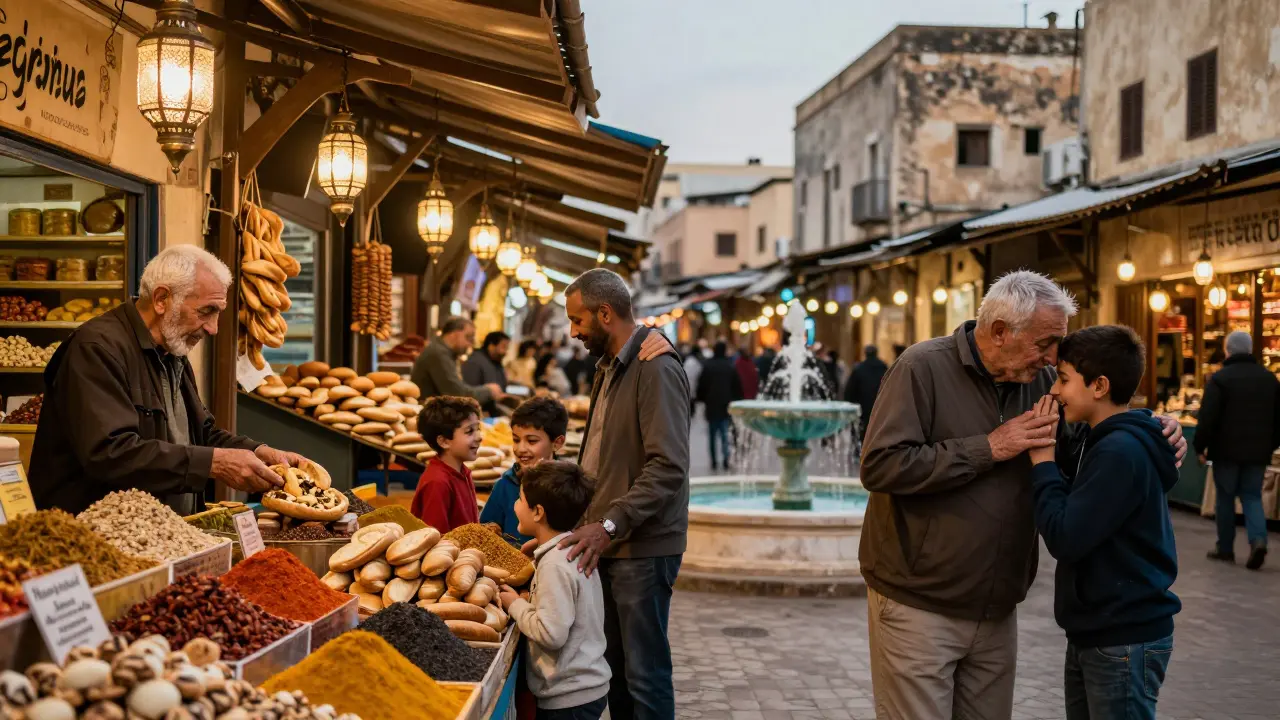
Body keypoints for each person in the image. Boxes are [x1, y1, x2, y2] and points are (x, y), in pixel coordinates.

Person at [859, 270, 1186, 720]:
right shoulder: (921, 368)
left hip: (997, 608)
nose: (1054, 357)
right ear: (999, 332)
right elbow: (880, 465)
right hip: (920, 606)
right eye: (1046, 342)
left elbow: (1078, 452)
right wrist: (989, 447)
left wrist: (1148, 428)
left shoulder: (1040, 381)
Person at [30, 245, 297, 516]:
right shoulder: (96, 348)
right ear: (161, 299)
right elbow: (110, 452)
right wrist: (213, 463)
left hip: (156, 535)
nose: (213, 328)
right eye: (206, 311)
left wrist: (260, 453)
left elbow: (201, 434)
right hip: (92, 540)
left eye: (218, 313)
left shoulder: (172, 351)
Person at [1028, 326, 1180, 720]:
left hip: (1122, 637)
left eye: (1063, 379)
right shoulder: (1101, 440)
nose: (1056, 391)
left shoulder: (1119, 450)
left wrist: (1041, 460)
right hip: (1099, 631)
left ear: (1099, 386)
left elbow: (1065, 536)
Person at [558, 268, 690, 720]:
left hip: (641, 547)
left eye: (578, 321)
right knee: (615, 671)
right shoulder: (609, 367)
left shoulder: (656, 368)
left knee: (645, 674)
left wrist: (609, 523)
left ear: (605, 313)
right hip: (611, 543)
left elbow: (668, 466)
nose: (573, 332)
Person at [499, 461, 611, 720]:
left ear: (538, 512)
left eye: (520, 499)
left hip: (568, 697)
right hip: (584, 687)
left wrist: (514, 604)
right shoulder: (569, 552)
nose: (516, 506)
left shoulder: (554, 566)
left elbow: (551, 634)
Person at [1194, 330, 1280, 569]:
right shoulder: (1269, 379)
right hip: (1257, 452)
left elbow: (1207, 418)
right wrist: (1269, 444)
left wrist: (1200, 446)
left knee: (1225, 497)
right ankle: (1258, 540)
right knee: (1252, 496)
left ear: (1227, 349)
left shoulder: (1220, 379)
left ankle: (1225, 549)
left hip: (1225, 451)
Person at [480, 396, 568, 545]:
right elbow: (485, 531)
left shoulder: (568, 488)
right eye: (516, 439)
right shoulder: (505, 485)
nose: (520, 449)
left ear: (557, 443)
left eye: (532, 441)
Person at [410, 396, 482, 533]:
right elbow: (436, 538)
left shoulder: (463, 472)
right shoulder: (437, 482)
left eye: (478, 429)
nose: (479, 437)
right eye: (469, 431)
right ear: (443, 441)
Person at [412, 317, 506, 406]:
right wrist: (489, 390)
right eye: (468, 337)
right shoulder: (438, 353)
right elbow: (457, 394)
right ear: (454, 334)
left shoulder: (445, 353)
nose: (471, 343)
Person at [696, 341, 743, 471]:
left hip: (711, 405)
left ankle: (714, 461)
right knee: (724, 433)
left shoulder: (708, 365)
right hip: (725, 405)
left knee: (712, 434)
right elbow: (736, 386)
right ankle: (726, 460)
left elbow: (702, 385)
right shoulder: (730, 366)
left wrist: (702, 398)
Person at [844, 345, 888, 445]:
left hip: (863, 406)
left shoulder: (859, 369)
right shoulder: (884, 368)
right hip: (880, 406)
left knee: (863, 433)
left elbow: (850, 390)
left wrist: (850, 404)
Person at [463, 331, 510, 414]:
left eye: (507, 348)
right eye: (503, 347)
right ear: (491, 346)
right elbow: (468, 394)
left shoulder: (495, 362)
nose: (505, 352)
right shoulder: (475, 362)